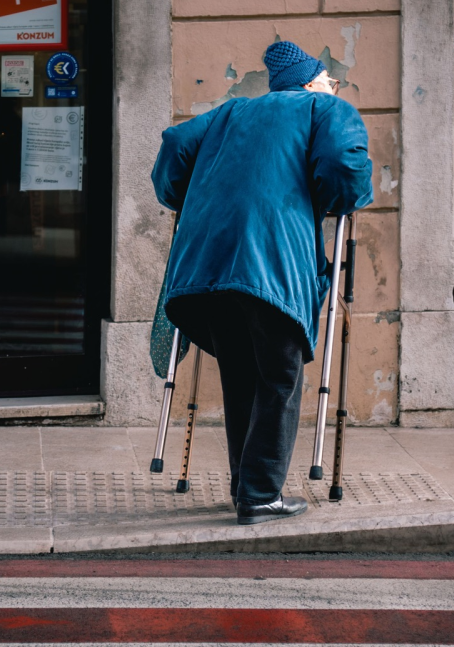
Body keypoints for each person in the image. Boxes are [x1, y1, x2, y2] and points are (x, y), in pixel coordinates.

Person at [151, 41, 374, 525]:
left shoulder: (230, 112)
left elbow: (173, 144)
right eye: (330, 81)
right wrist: (340, 199)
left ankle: (244, 487)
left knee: (242, 374)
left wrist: (181, 196)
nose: (333, 88)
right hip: (269, 263)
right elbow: (343, 165)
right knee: (279, 376)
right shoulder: (324, 108)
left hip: (204, 266)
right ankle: (259, 495)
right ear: (313, 82)